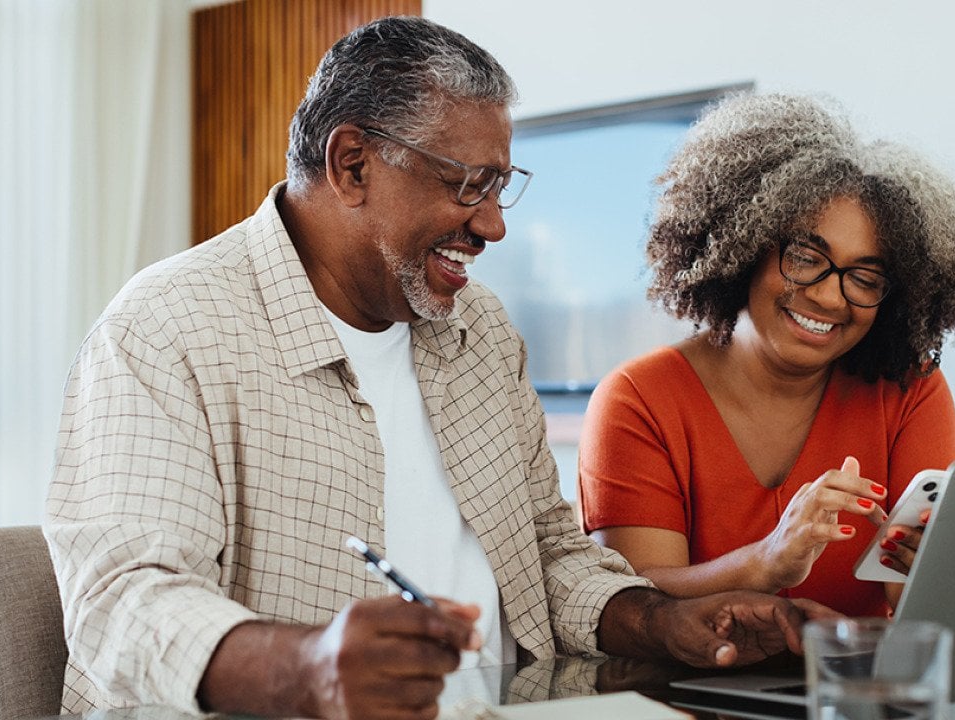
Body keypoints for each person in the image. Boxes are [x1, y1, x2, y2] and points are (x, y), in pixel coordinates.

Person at [44, 17, 835, 720]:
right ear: (352, 164)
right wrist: (309, 671)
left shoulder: (481, 330)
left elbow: (550, 554)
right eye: (467, 185)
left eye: (500, 188)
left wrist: (660, 621)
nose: (491, 224)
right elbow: (122, 605)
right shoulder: (167, 328)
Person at [579, 93, 955, 618]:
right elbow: (630, 607)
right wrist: (766, 563)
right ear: (743, 246)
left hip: (858, 690)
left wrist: (938, 573)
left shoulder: (908, 390)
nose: (829, 297)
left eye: (865, 278)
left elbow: (922, 606)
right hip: (683, 695)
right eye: (805, 258)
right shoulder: (640, 399)